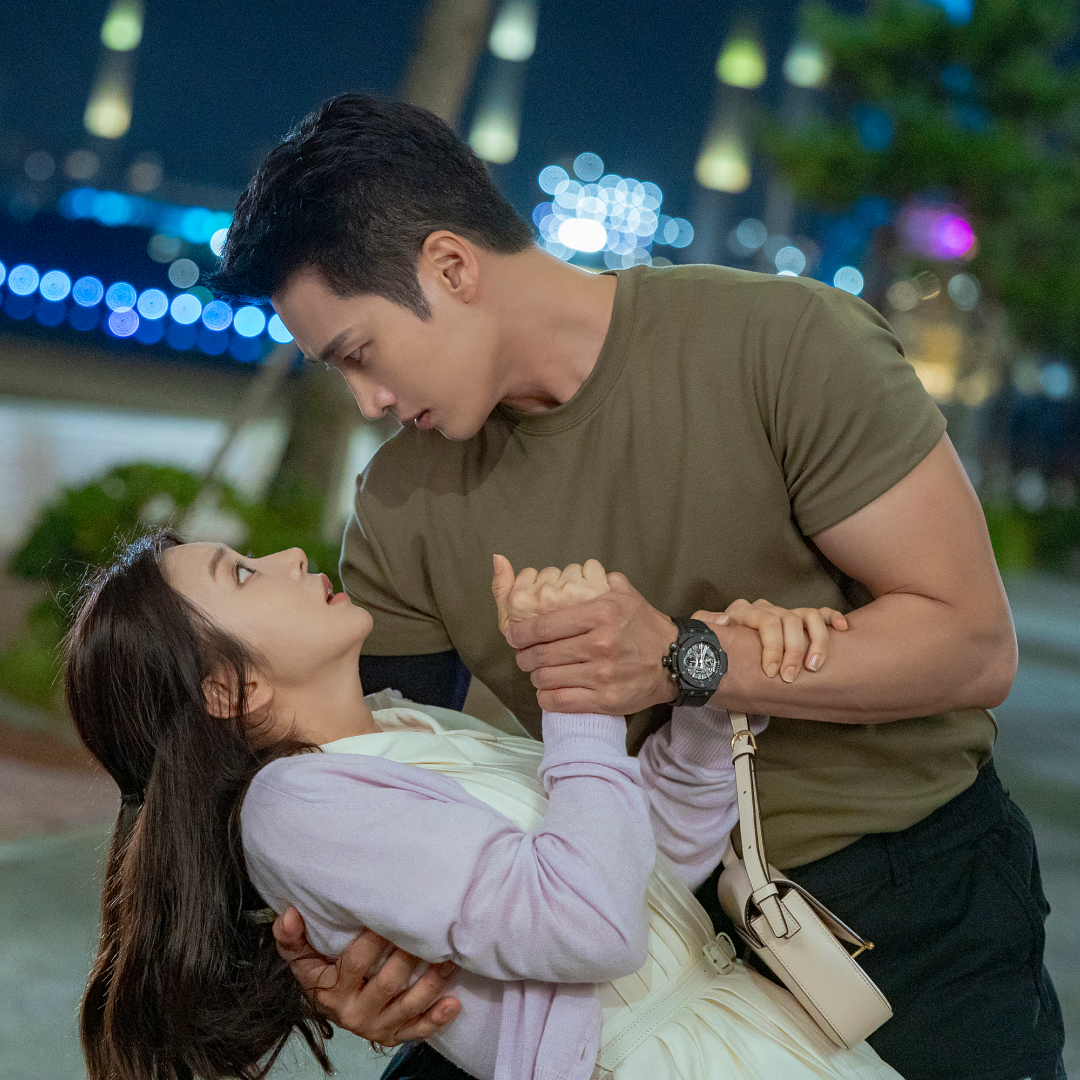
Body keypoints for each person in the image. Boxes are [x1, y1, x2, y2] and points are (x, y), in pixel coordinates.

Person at [212, 94, 1064, 1080]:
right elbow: (366, 770)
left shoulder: (783, 344)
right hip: (605, 927)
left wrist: (684, 660)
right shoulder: (400, 501)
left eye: (360, 354)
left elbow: (970, 644)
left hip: (907, 895)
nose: (366, 402)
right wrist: (333, 959)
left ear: (451, 266)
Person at [65, 530, 899, 1080]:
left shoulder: (407, 727)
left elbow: (648, 877)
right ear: (226, 687)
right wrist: (576, 690)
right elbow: (591, 926)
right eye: (242, 574)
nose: (286, 556)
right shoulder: (294, 808)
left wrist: (707, 704)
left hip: (749, 1037)